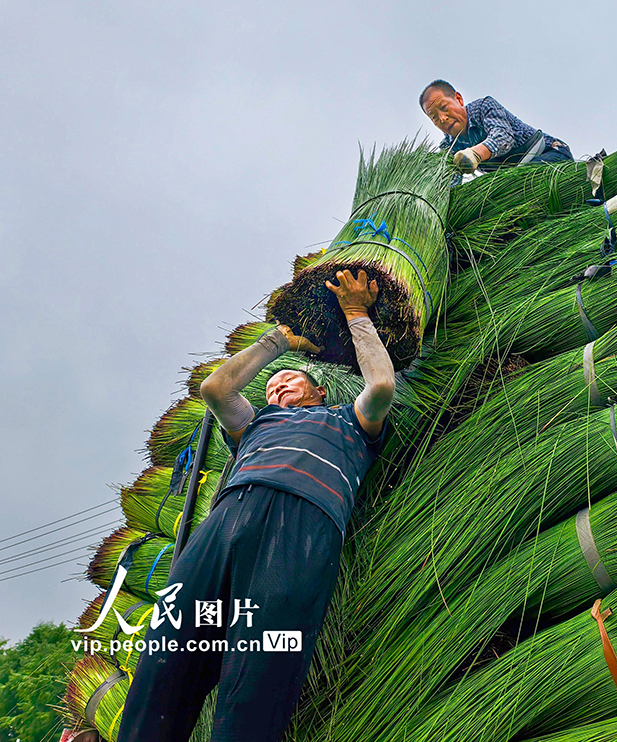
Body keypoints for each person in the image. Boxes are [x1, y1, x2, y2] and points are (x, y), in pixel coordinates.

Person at [113, 268, 395, 742]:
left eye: (290, 381)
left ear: (320, 391)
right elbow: (216, 390)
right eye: (270, 385)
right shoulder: (255, 426)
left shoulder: (349, 424)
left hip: (302, 526)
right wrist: (280, 341)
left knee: (259, 675)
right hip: (224, 523)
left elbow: (382, 386)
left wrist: (354, 312)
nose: (277, 387)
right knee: (166, 655)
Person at [419, 79, 573, 173]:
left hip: (548, 154)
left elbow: (502, 137)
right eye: (434, 117)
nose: (443, 118)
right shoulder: (449, 147)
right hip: (511, 177)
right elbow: (450, 180)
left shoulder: (483, 107)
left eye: (444, 107)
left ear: (458, 99)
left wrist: (474, 154)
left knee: (519, 186)